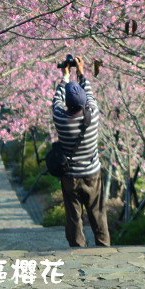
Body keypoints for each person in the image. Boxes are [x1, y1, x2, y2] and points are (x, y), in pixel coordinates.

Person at [52, 54, 110, 248]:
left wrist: (65, 77)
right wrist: (82, 72)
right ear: (84, 102)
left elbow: (57, 100)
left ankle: (77, 248)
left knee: (74, 215)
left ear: (67, 102)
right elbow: (90, 94)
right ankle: (103, 245)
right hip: (92, 173)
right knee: (97, 212)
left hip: (70, 175)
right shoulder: (92, 115)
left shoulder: (60, 117)